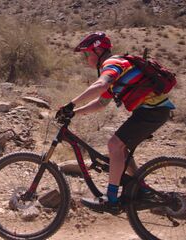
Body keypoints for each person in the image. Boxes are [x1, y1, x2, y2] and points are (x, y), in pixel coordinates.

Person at [56, 32, 175, 212]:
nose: (86, 59)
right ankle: (141, 188)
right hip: (153, 111)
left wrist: (70, 104)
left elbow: (100, 86)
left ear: (98, 50)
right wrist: (74, 112)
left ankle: (111, 199)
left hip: (152, 111)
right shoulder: (117, 68)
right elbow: (101, 103)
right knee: (121, 149)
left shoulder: (112, 63)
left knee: (114, 144)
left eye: (87, 54)